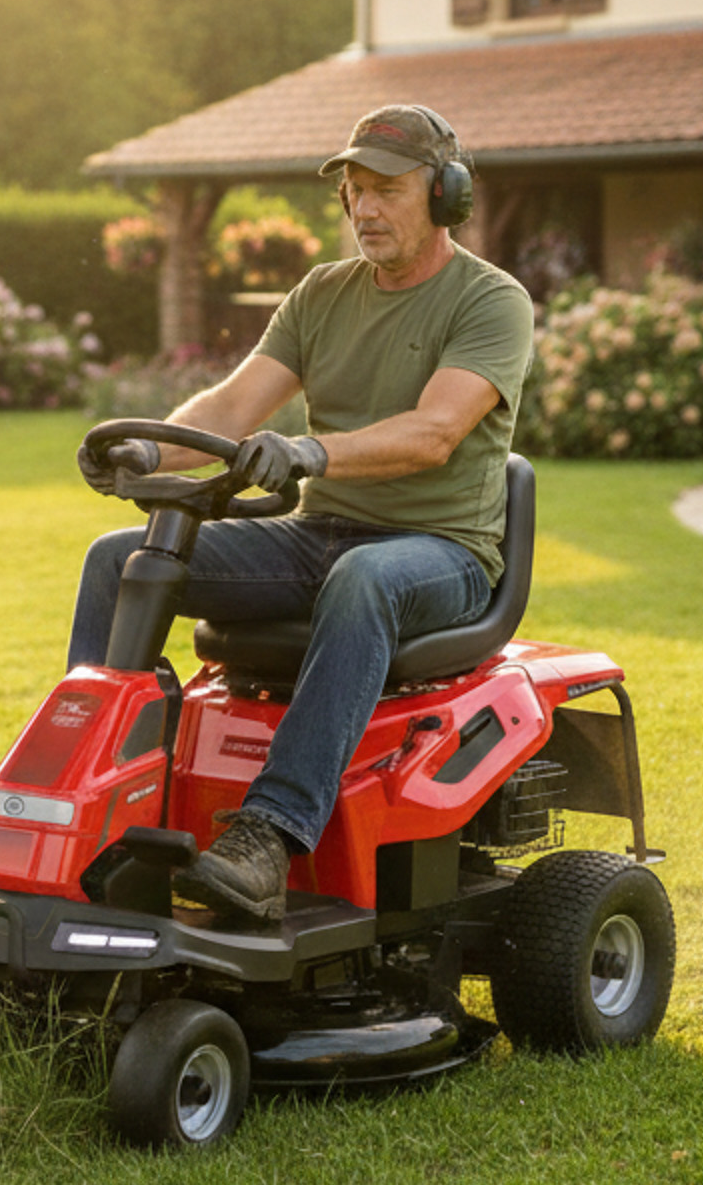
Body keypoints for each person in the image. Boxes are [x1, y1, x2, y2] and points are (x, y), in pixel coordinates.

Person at [69, 104, 534, 920]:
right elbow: (231, 405)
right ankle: (84, 793)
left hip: (443, 551)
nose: (364, 209)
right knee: (121, 557)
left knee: (364, 578)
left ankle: (268, 837)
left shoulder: (491, 301)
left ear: (446, 194)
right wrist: (146, 451)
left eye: (386, 189)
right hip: (320, 536)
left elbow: (434, 433)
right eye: (354, 190)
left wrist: (311, 452)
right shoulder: (322, 294)